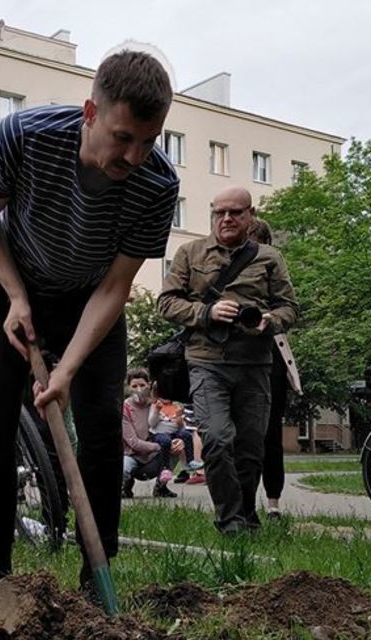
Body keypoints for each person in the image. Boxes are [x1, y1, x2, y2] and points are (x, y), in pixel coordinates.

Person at [0, 50, 179, 606]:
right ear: (90, 113)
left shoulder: (158, 185)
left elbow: (114, 289)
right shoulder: (23, 135)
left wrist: (68, 368)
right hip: (11, 283)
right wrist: (15, 296)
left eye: (149, 141)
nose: (134, 154)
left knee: (102, 432)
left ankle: (93, 575)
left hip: (90, 299)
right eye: (123, 137)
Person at [158, 187, 299, 534]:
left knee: (251, 447)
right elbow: (165, 303)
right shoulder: (190, 252)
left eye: (235, 213)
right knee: (218, 438)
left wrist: (269, 321)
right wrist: (206, 312)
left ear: (250, 215)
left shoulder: (269, 257)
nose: (226, 219)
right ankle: (230, 520)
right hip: (207, 362)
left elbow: (290, 307)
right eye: (219, 213)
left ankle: (245, 514)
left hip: (255, 365)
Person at [250, 217, 301, 519]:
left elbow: (290, 309)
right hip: (235, 358)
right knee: (240, 436)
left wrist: (270, 317)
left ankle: (273, 504)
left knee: (270, 435)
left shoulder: (275, 275)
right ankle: (242, 503)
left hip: (270, 359)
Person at [121, 368, 178, 499]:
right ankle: (126, 485)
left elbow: (170, 426)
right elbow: (133, 442)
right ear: (128, 387)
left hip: (154, 457)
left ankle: (161, 487)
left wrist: (176, 441)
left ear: (149, 385)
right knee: (124, 469)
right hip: (132, 455)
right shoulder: (125, 408)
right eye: (134, 386)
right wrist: (160, 446)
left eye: (142, 385)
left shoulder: (156, 404)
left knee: (176, 448)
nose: (139, 389)